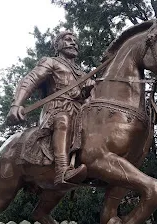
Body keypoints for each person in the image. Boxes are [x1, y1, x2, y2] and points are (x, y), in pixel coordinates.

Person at [6, 30, 95, 186]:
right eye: (68, 39)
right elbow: (30, 80)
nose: (73, 42)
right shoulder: (51, 62)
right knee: (63, 119)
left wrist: (92, 89)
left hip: (79, 112)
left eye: (75, 41)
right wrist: (17, 104)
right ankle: (62, 171)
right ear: (57, 45)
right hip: (56, 110)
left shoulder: (83, 73)